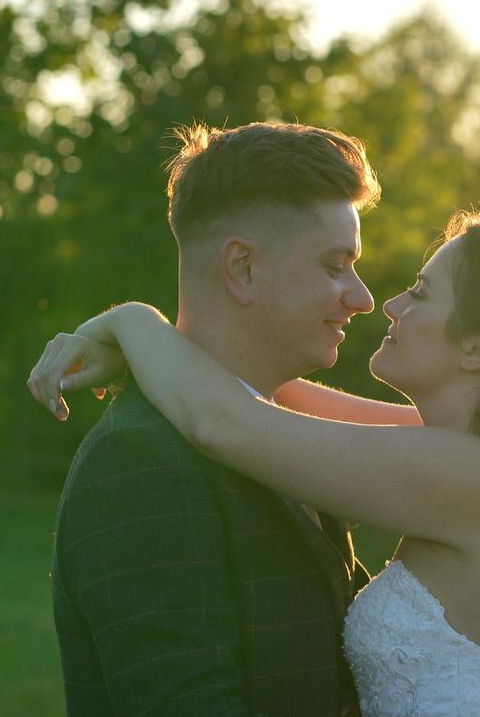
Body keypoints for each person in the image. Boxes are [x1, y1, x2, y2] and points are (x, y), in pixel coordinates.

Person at [30, 204, 480, 716]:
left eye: (421, 294)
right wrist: (156, 350)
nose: (387, 305)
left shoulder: (475, 478)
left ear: (479, 348)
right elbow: (261, 387)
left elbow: (227, 421)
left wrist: (128, 322)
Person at [39, 121, 384, 715]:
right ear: (243, 269)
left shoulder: (282, 428)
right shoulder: (140, 463)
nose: (362, 296)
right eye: (335, 266)